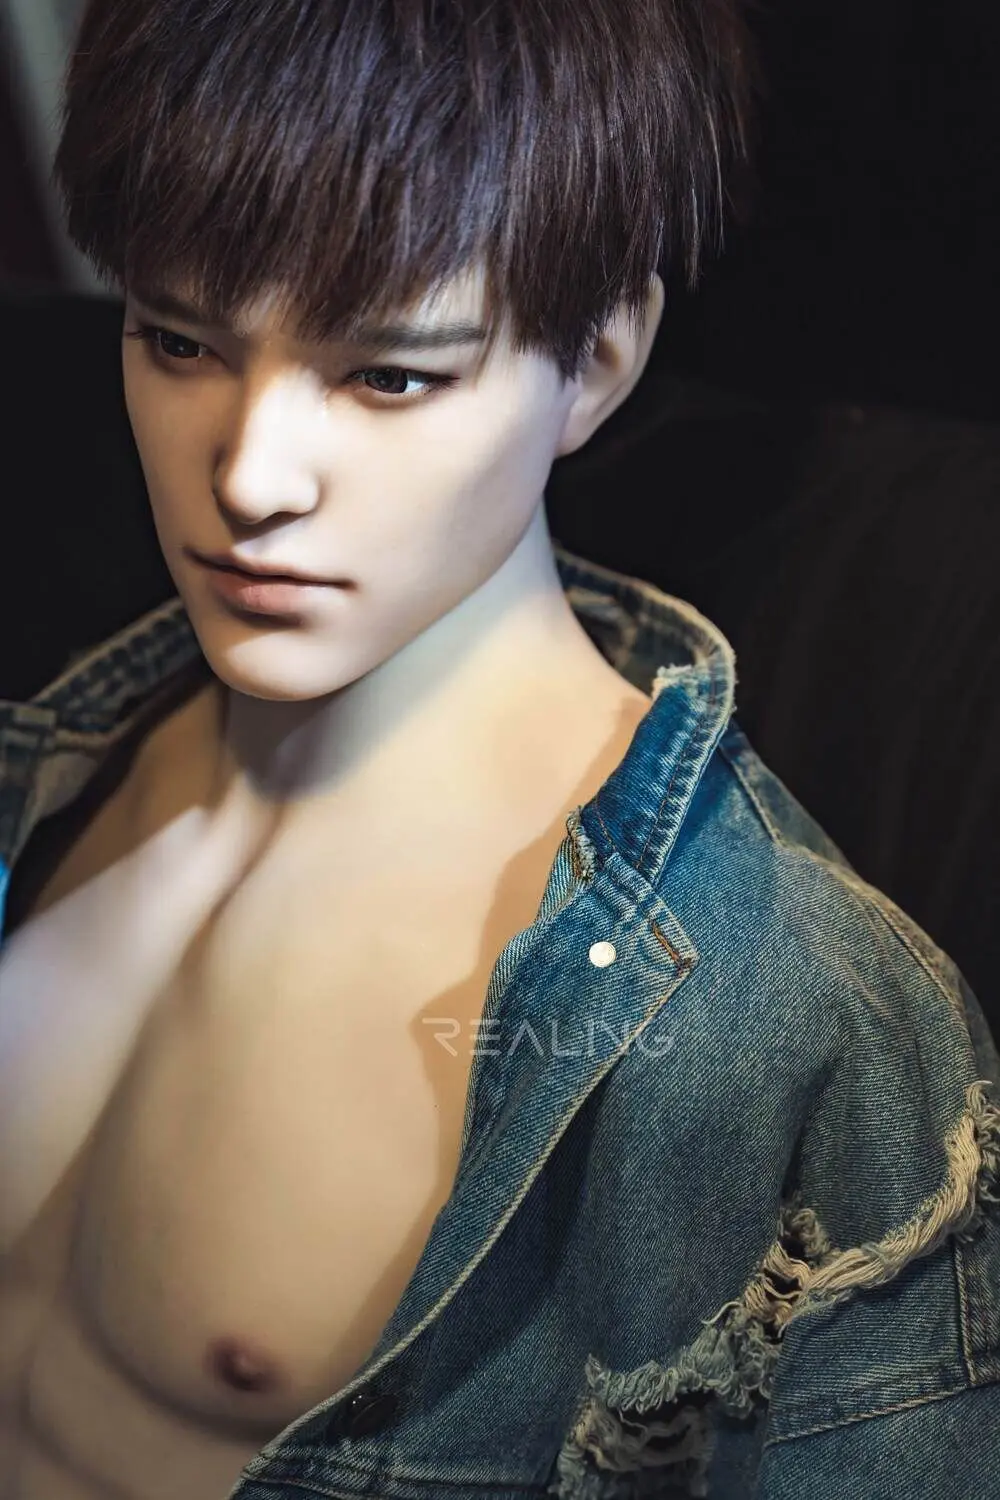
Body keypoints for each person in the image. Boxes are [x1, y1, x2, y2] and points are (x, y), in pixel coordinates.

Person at [0, 0, 997, 1496]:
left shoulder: (793, 1023)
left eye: (388, 375)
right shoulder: (62, 764)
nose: (252, 475)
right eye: (179, 339)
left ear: (596, 364)